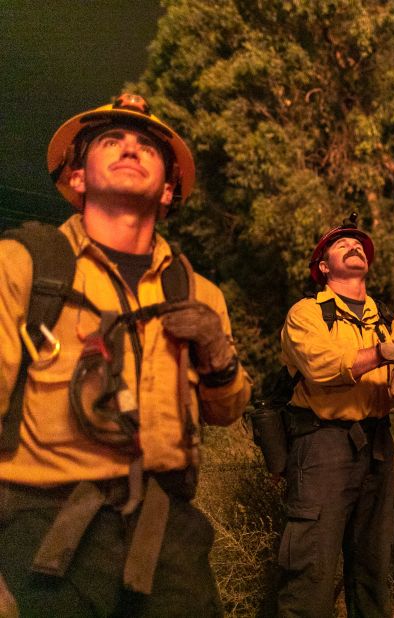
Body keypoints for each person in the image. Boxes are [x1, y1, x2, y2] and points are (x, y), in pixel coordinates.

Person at [0, 93, 251, 616]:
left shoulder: (198, 291)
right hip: (46, 524)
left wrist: (217, 353)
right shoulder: (24, 265)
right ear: (78, 178)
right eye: (111, 141)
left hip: (167, 525)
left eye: (147, 147)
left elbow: (226, 411)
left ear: (167, 190)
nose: (130, 148)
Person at [277, 214, 394, 618]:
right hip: (322, 444)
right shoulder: (307, 313)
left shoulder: (385, 317)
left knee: (372, 567)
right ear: (323, 267)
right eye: (342, 244)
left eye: (359, 244)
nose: (354, 246)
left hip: (377, 444)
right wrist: (383, 354)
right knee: (311, 568)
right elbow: (321, 366)